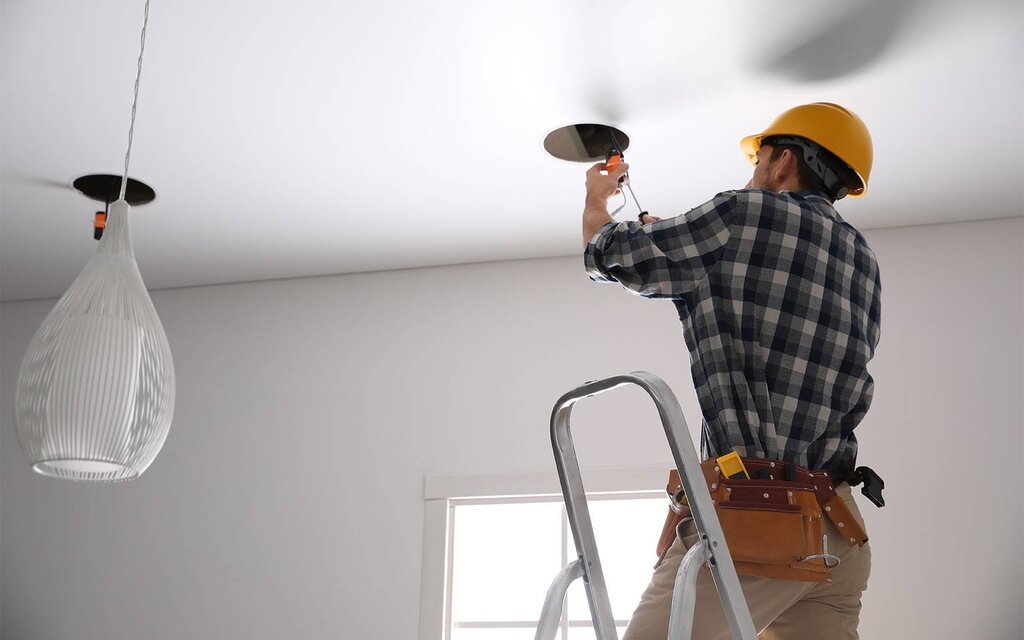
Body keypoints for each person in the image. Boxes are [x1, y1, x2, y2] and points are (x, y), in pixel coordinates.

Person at [581, 103, 881, 639]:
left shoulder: (744, 213)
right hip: (838, 531)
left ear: (783, 159)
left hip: (759, 521)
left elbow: (612, 256)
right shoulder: (863, 258)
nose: (753, 171)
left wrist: (597, 202)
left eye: (758, 157)